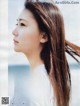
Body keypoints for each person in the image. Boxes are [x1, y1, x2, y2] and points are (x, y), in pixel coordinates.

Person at [12, 0, 80, 106]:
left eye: (22, 24)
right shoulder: (52, 80)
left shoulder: (30, 86)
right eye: (17, 23)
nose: (14, 31)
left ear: (43, 36)